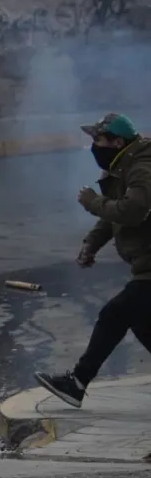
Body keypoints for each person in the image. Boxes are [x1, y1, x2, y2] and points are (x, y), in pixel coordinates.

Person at [35, 113, 151, 408]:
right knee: (138, 321)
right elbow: (116, 218)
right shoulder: (122, 166)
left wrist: (91, 202)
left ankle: (77, 382)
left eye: (98, 140)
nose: (94, 147)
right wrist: (92, 243)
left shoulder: (142, 167)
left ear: (117, 141)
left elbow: (132, 211)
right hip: (145, 263)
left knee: (116, 313)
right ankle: (77, 383)